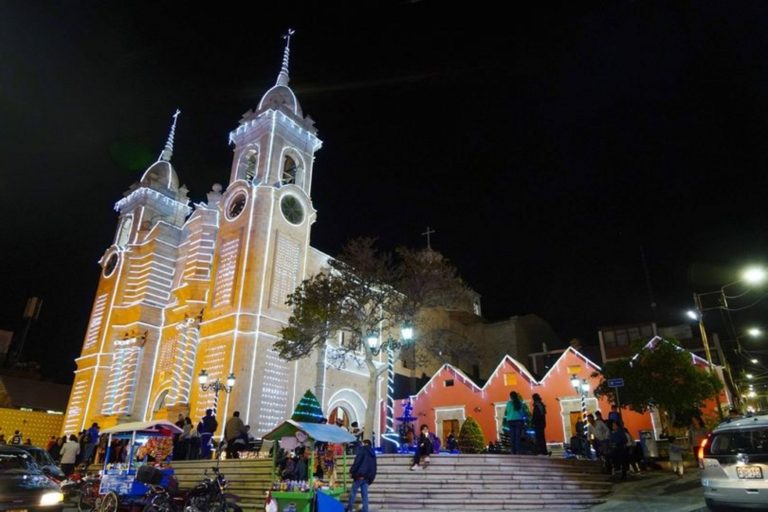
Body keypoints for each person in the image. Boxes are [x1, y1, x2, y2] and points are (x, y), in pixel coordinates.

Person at [347, 439, 376, 512]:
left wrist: (352, 471)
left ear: (365, 443)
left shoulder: (362, 450)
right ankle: (365, 510)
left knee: (353, 492)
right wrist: (371, 478)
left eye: (363, 443)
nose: (361, 444)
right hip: (367, 477)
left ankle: (350, 509)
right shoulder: (373, 453)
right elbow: (374, 467)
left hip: (359, 476)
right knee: (365, 495)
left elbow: (357, 461)